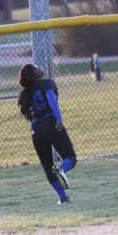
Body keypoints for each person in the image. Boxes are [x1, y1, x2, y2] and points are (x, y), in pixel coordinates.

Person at [18, 64, 77, 204]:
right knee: (70, 157)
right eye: (35, 67)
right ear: (34, 73)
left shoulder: (24, 94)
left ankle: (63, 197)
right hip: (51, 123)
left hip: (36, 130)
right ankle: (61, 170)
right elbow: (51, 100)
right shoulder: (46, 84)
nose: (39, 67)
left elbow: (28, 115)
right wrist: (59, 119)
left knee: (47, 166)